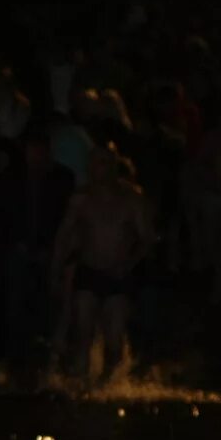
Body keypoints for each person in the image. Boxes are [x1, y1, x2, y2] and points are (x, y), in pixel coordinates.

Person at [52, 144, 152, 387]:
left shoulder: (131, 199)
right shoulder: (81, 199)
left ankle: (109, 383)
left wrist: (128, 264)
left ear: (113, 167)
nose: (97, 169)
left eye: (103, 163)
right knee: (82, 329)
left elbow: (147, 239)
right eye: (94, 163)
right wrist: (55, 269)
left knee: (114, 337)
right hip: (89, 269)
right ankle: (79, 379)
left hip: (119, 274)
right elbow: (64, 236)